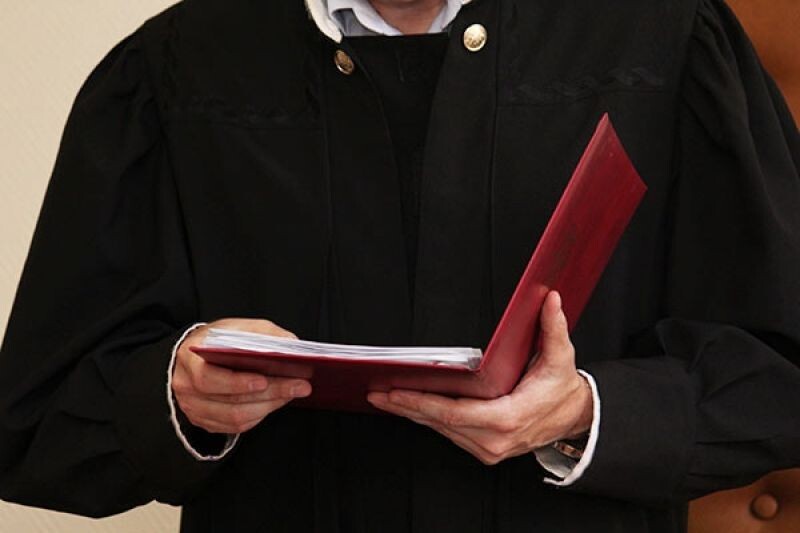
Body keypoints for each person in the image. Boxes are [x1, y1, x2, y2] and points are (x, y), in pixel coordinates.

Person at [1, 0, 799, 531]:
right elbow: (36, 422)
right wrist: (176, 394)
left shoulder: (663, 40)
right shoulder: (176, 68)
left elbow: (779, 371)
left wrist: (588, 412)